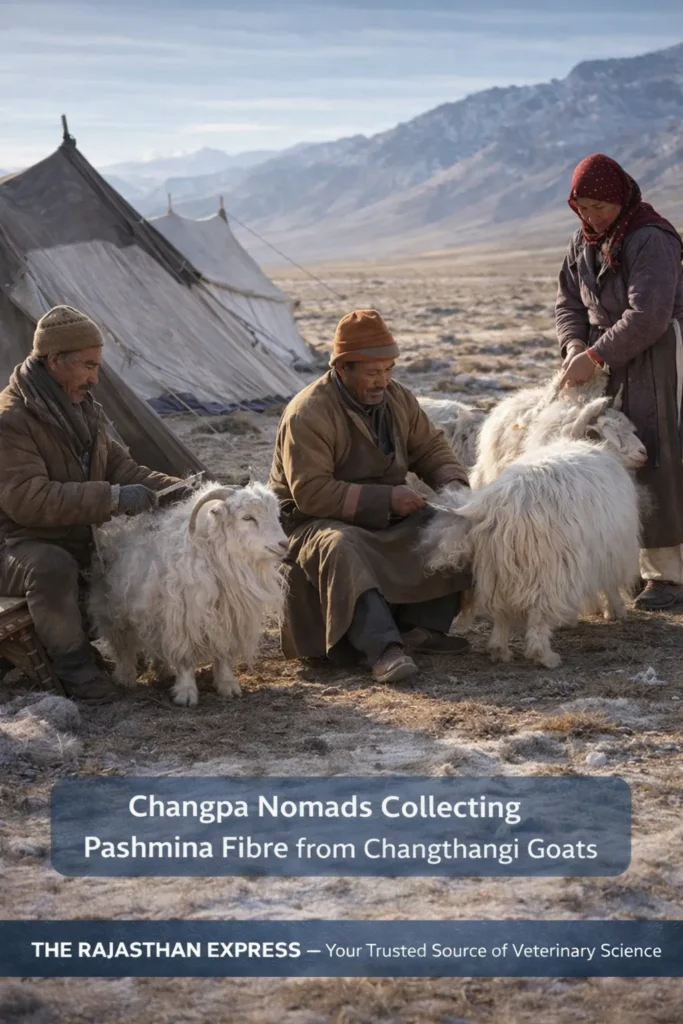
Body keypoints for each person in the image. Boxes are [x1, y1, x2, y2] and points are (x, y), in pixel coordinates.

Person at [0, 305, 192, 701]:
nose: (95, 378)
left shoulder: (84, 410)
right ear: (55, 360)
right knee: (52, 568)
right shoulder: (11, 420)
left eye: (98, 366)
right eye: (88, 366)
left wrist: (185, 491)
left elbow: (122, 467)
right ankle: (74, 669)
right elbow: (28, 500)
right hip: (15, 545)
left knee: (124, 557)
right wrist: (113, 498)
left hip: (68, 536)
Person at [269, 308, 471, 684]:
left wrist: (454, 484)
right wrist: (387, 499)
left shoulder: (398, 399)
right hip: (313, 524)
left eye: (389, 370)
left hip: (383, 518)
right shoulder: (308, 413)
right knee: (341, 546)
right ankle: (383, 649)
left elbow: (430, 448)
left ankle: (421, 628)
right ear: (344, 368)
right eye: (373, 372)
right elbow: (310, 493)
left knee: (449, 526)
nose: (383, 381)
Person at [557, 153, 683, 611]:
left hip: (658, 354)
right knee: (610, 451)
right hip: (605, 355)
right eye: (583, 207)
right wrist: (574, 348)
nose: (592, 216)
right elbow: (568, 302)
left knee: (657, 450)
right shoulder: (583, 243)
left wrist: (595, 355)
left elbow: (649, 314)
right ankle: (627, 565)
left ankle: (669, 574)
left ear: (621, 198)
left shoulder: (650, 238)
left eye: (600, 207)